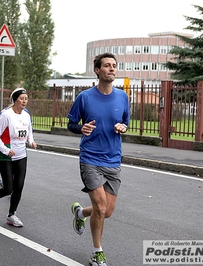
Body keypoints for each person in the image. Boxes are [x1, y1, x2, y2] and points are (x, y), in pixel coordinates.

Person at [67, 53, 130, 266]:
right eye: (107, 66)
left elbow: (125, 122)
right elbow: (71, 124)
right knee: (101, 208)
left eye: (114, 66)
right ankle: (97, 251)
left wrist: (123, 127)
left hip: (113, 160)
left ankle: (80, 212)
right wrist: (80, 128)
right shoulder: (85, 97)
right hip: (90, 158)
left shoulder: (122, 97)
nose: (112, 69)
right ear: (97, 70)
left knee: (107, 212)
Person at [0, 88, 37, 227]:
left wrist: (30, 141)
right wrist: (5, 149)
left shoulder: (26, 115)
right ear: (15, 100)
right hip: (6, 156)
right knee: (8, 188)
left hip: (21, 155)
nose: (24, 101)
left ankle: (11, 215)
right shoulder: (6, 115)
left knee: (19, 187)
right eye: (21, 98)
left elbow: (29, 132)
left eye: (26, 99)